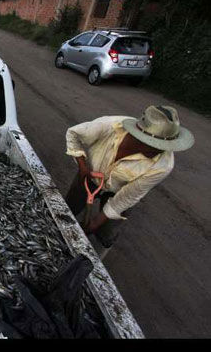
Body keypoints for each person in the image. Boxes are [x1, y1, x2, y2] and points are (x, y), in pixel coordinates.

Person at [64, 105, 194, 248]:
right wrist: (82, 166)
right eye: (154, 145)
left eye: (164, 146)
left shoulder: (163, 166)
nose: (159, 151)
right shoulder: (111, 125)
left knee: (106, 230)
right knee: (68, 208)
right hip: (89, 175)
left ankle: (104, 240)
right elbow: (73, 134)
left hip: (119, 190)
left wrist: (94, 224)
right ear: (139, 136)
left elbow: (127, 197)